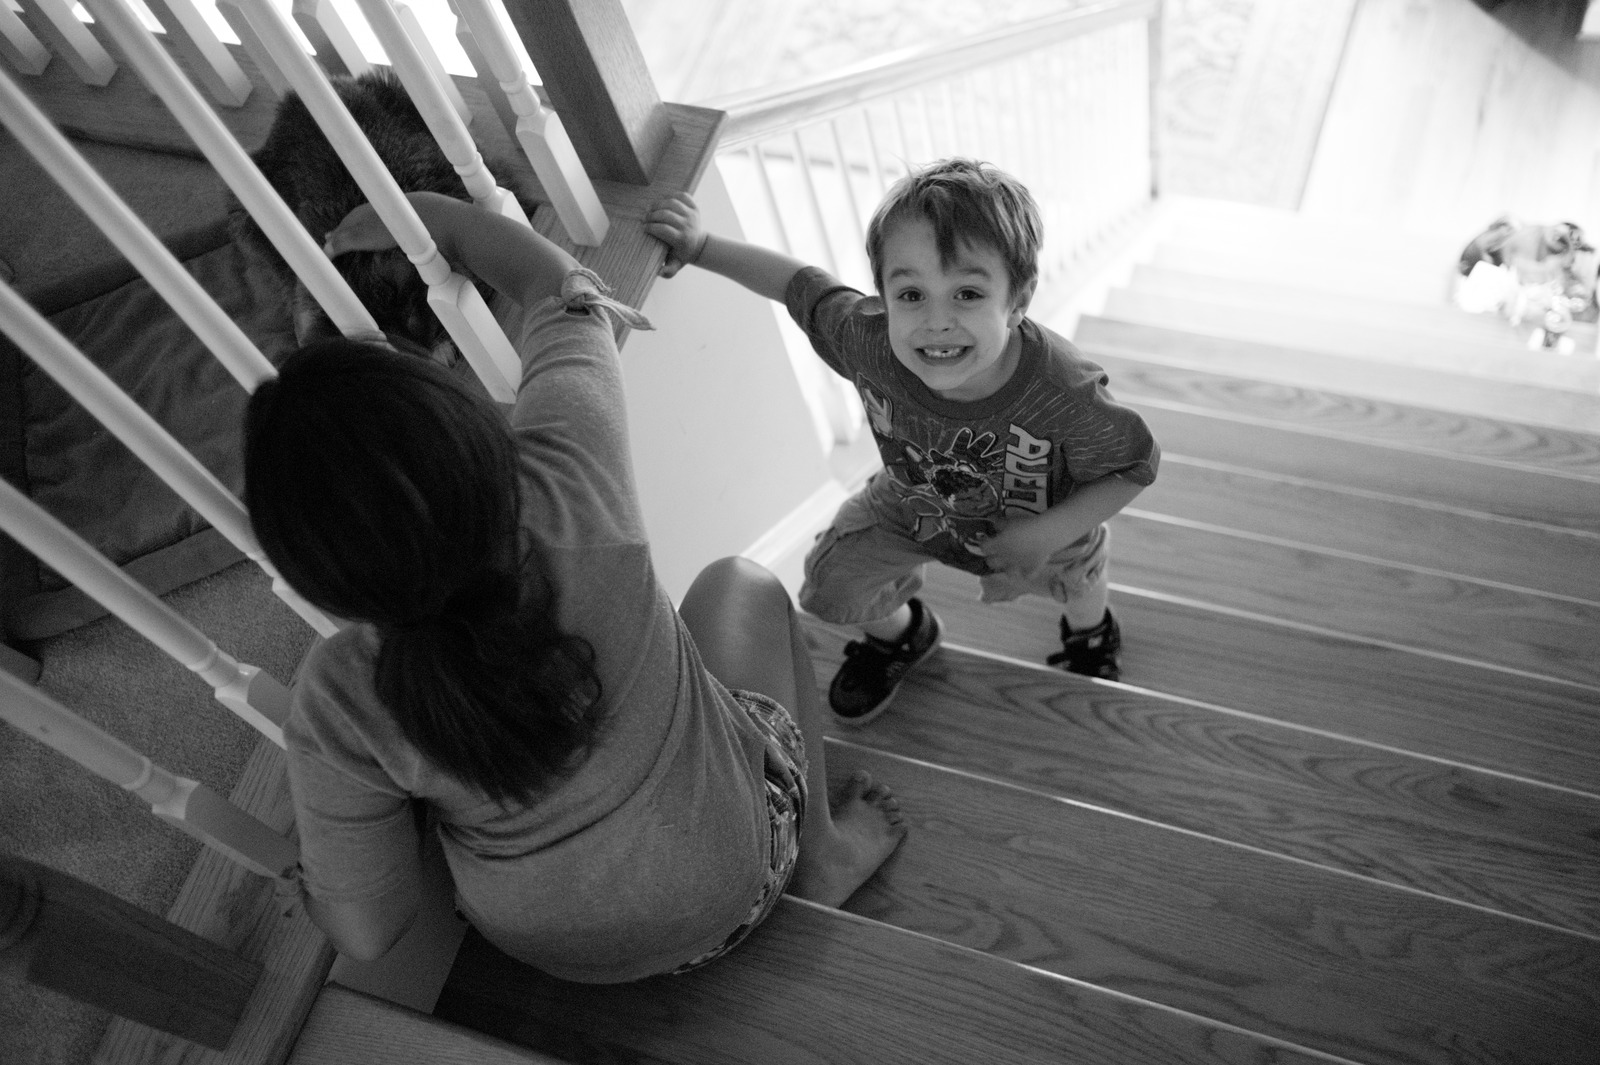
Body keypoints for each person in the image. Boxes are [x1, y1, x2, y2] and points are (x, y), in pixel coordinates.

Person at [242, 191, 906, 981]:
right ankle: (821, 854)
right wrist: (427, 216)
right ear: (463, 422)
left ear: (319, 574)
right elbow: (565, 292)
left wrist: (320, 893)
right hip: (739, 878)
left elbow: (370, 930)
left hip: (560, 958)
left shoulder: (336, 702)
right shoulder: (567, 478)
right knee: (744, 582)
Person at [647, 158, 1159, 725]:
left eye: (966, 293)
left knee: (1076, 576)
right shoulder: (868, 342)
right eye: (912, 294)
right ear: (884, 296)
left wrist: (1046, 533)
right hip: (912, 500)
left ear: (1017, 301)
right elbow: (799, 286)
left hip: (1036, 517)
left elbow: (1135, 464)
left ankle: (1092, 634)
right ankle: (904, 636)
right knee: (833, 578)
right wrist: (700, 246)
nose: (936, 322)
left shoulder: (1061, 387)